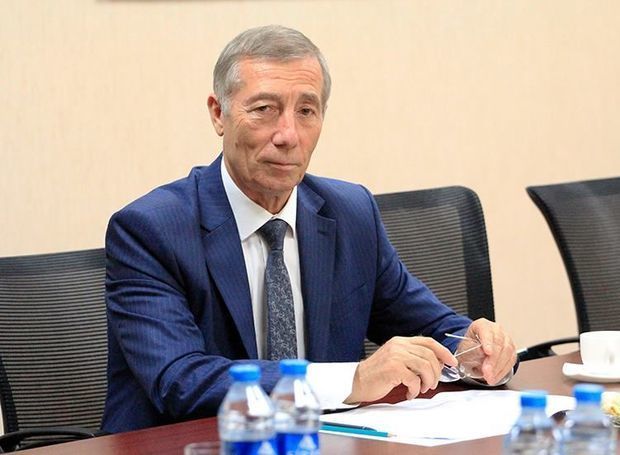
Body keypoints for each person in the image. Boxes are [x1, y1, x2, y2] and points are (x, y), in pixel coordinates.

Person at [101, 25, 517, 433]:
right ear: (218, 114)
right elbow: (181, 380)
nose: (288, 135)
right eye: (264, 109)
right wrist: (353, 380)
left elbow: (432, 327)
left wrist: (475, 349)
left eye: (306, 111)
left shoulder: (351, 213)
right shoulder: (150, 230)